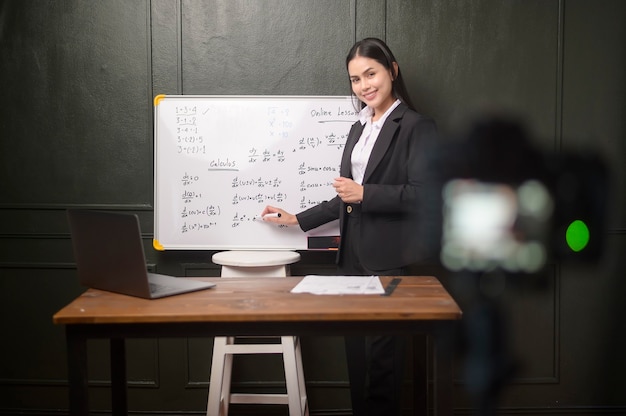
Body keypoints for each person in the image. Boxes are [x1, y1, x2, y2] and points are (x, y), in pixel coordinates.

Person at [261, 37, 438, 416]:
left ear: (392, 70)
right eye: (355, 80)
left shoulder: (417, 127)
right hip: (350, 258)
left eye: (371, 74)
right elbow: (346, 195)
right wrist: (297, 219)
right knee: (357, 361)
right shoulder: (358, 128)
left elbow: (426, 196)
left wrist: (366, 194)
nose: (364, 86)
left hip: (388, 259)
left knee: (382, 365)